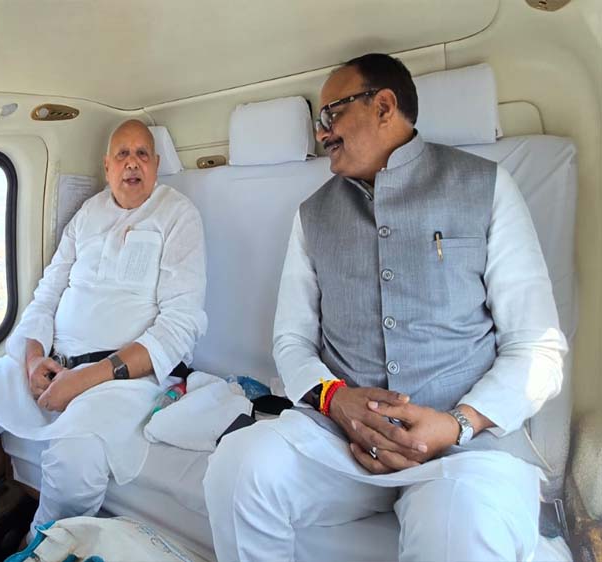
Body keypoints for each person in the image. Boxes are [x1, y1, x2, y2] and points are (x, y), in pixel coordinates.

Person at [204, 53, 567, 561]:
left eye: (331, 114)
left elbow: (537, 348)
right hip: (340, 438)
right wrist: (334, 400)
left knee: (459, 529)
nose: (321, 133)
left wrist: (457, 424)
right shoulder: (313, 215)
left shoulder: (486, 188)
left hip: (462, 448)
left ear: (383, 106)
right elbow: (292, 339)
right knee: (237, 467)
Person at [0, 119, 207, 561]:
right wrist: (34, 359)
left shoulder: (178, 215)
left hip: (123, 380)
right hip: (54, 366)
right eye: (123, 154)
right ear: (107, 166)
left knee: (75, 459)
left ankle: (34, 549)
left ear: (155, 165)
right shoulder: (87, 215)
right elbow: (46, 295)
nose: (132, 163)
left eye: (142, 154)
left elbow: (180, 325)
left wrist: (85, 379)